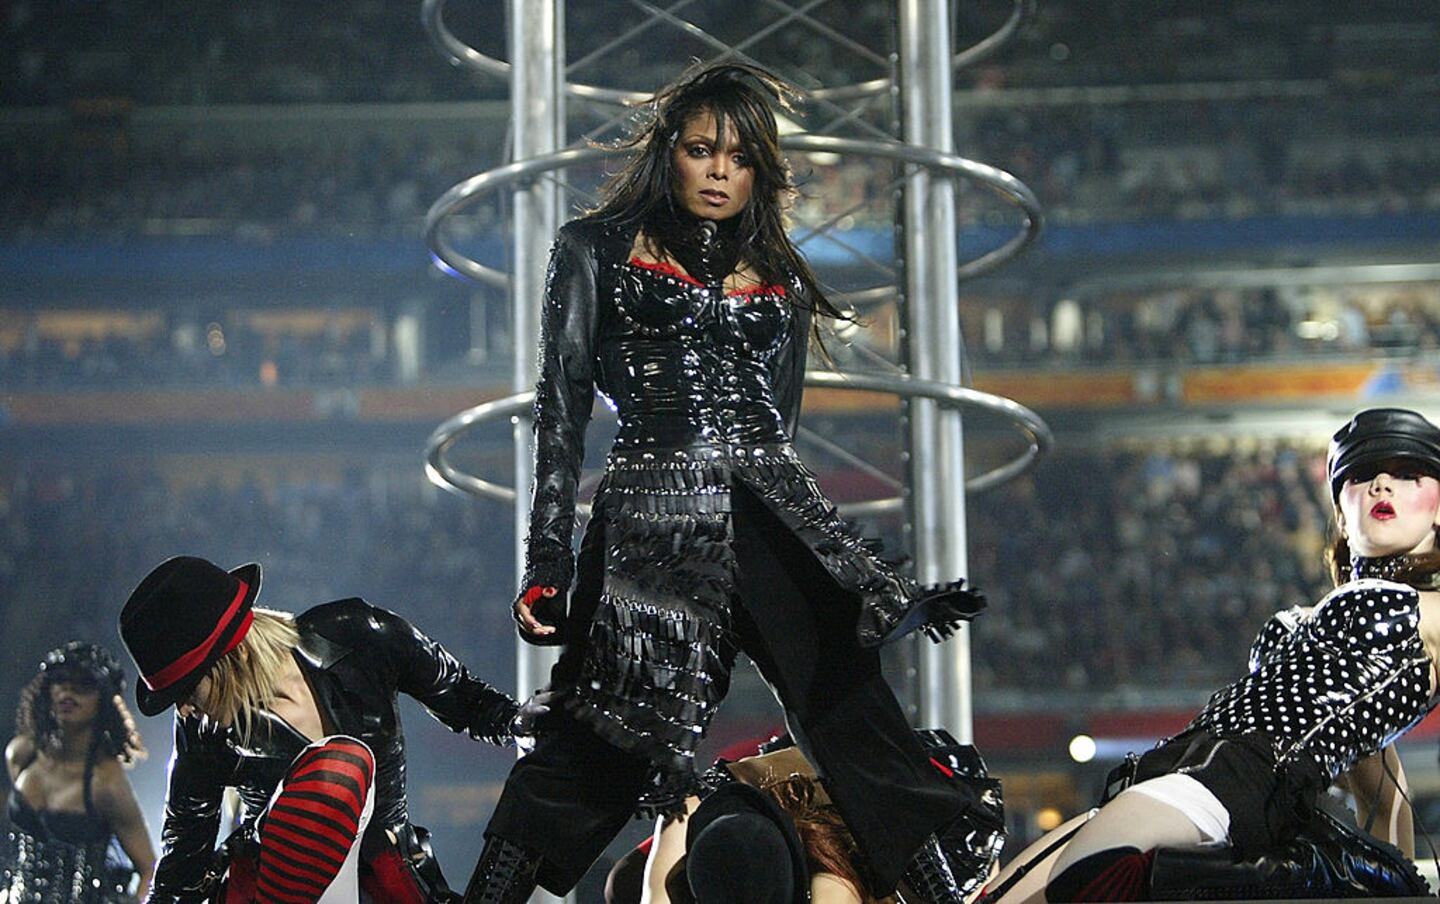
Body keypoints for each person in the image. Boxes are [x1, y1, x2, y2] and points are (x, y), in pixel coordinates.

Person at [463, 60, 985, 904]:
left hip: (773, 516)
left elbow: (778, 421)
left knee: (857, 720)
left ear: (760, 171)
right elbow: (560, 413)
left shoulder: (780, 270)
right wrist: (547, 558)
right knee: (594, 748)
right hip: (651, 525)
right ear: (668, 151)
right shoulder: (593, 247)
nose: (718, 172)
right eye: (701, 150)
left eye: (740, 158)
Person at [989, 407, 1440, 903]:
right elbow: (1378, 782)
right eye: (1360, 474)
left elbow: (1381, 792)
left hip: (1247, 779)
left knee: (1089, 874)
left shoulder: (1432, 612)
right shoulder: (1310, 622)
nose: (1381, 484)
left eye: (1407, 474)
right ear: (1339, 512)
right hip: (1174, 764)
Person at [116, 555, 547, 904]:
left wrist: (516, 719)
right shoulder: (201, 732)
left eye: (188, 689)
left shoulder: (359, 636)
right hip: (270, 888)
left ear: (232, 658)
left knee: (341, 767)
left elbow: (461, 696)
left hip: (388, 877)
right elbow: (181, 871)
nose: (185, 709)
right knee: (339, 767)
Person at [4, 642, 157, 904]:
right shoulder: (21, 754)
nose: (68, 693)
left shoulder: (108, 784)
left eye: (83, 685)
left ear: (103, 699)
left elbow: (149, 870)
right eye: (60, 681)